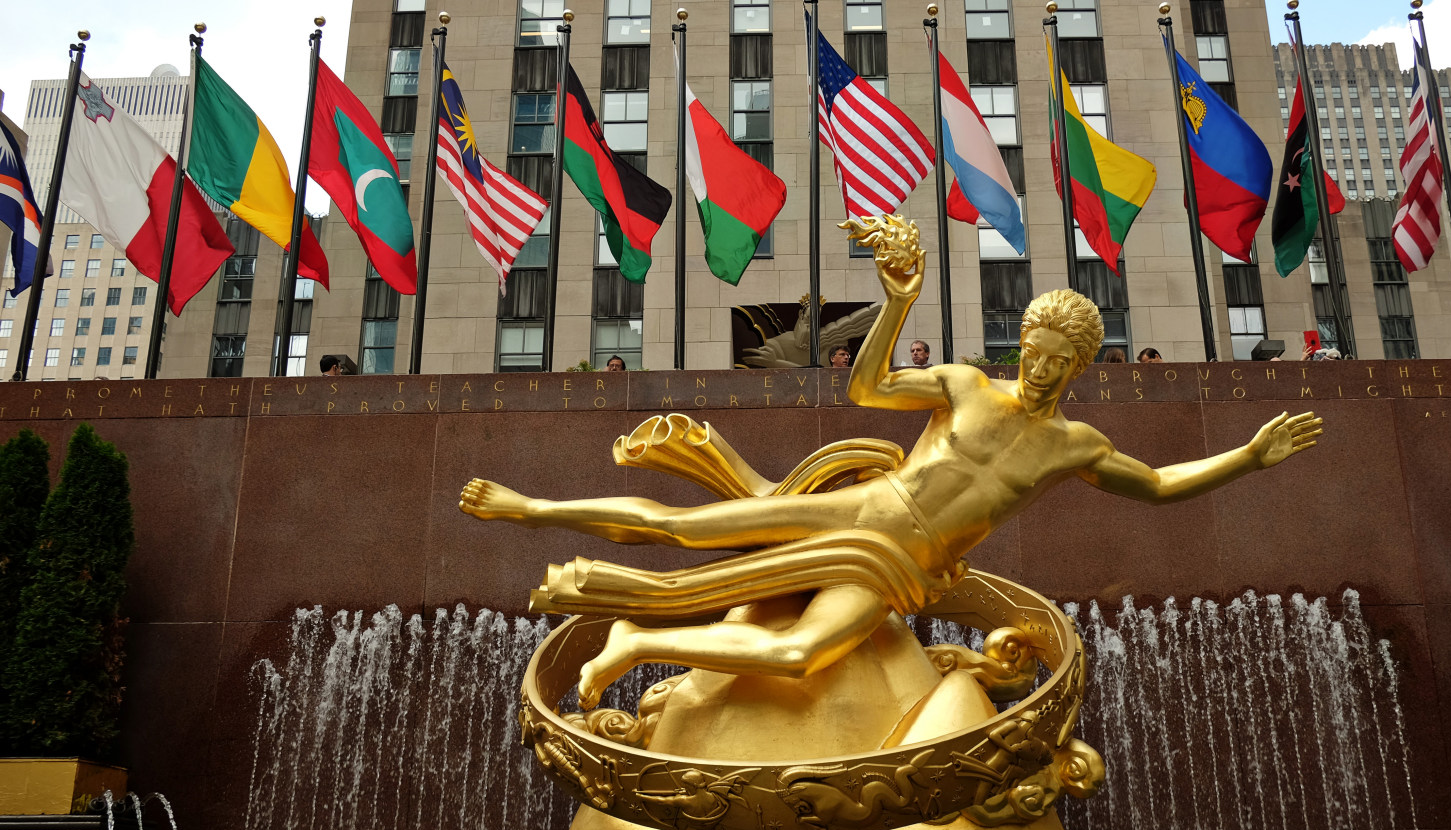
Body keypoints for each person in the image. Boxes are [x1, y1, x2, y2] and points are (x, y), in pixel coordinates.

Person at [460, 215, 1322, 707]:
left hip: (905, 569)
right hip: (867, 510)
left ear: (1080, 367)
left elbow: (1162, 486)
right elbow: (867, 389)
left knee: (803, 656)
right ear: (1021, 341)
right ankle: (530, 508)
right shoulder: (963, 382)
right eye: (1034, 345)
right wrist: (897, 300)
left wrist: (1247, 455)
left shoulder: (1075, 446)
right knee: (689, 529)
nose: (1041, 363)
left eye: (1060, 357)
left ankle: (636, 640)